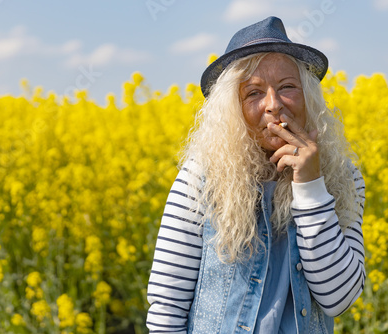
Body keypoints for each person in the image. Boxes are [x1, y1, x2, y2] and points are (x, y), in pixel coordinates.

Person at [146, 16, 365, 334]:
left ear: (308, 97)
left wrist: (312, 186)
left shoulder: (343, 177)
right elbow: (167, 309)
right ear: (232, 108)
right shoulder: (199, 179)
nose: (274, 105)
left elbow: (338, 299)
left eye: (288, 87)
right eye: (253, 93)